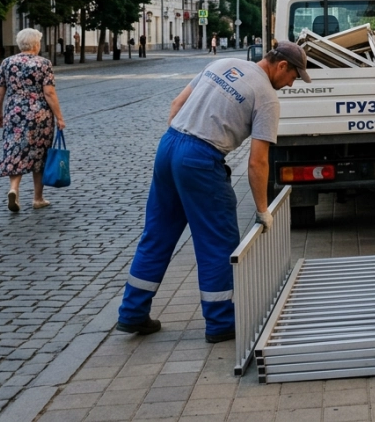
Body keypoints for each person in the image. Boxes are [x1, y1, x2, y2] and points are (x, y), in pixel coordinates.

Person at [116, 42, 312, 342]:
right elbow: (258, 162)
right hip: (200, 159)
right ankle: (221, 322)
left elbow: (176, 105)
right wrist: (262, 210)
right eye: (294, 77)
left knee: (157, 234)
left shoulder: (223, 64)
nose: (291, 84)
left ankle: (131, 313)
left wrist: (179, 149)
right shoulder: (267, 98)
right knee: (218, 241)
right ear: (281, 66)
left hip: (169, 146)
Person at [0, 28, 66, 212]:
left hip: (14, 114)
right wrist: (59, 116)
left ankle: (14, 189)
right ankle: (37, 198)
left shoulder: (7, 63)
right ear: (36, 44)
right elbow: (49, 92)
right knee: (40, 154)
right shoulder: (43, 63)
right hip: (39, 115)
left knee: (15, 150)